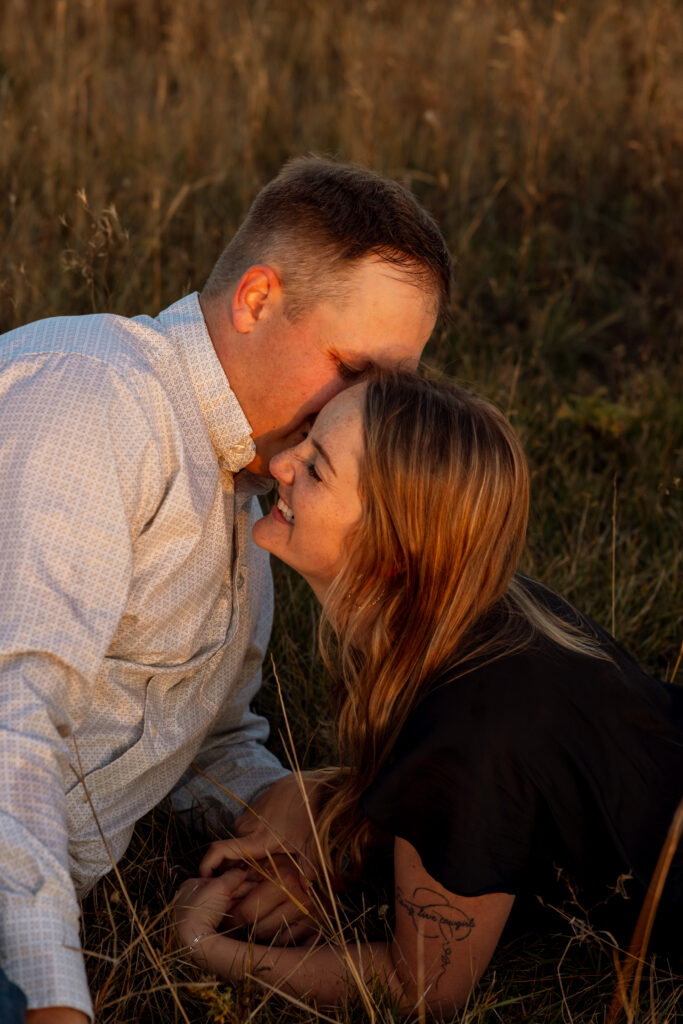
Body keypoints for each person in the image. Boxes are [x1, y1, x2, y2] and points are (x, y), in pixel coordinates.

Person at [0, 159, 451, 1023]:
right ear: (255, 299)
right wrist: (51, 1002)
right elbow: (8, 717)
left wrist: (287, 826)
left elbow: (204, 738)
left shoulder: (258, 494)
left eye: (390, 389)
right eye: (353, 368)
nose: (367, 414)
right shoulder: (92, 399)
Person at [175, 371, 683, 1016]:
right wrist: (323, 809)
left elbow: (424, 988)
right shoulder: (468, 608)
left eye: (318, 468)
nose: (278, 463)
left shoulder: (466, 726)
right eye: (306, 438)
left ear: (391, 549)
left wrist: (206, 949)